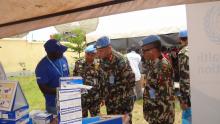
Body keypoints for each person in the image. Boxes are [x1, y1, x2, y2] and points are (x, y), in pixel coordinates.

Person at [95, 36, 135, 124]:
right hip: (110, 101)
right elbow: (102, 79)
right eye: (97, 50)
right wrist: (103, 95)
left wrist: (116, 92)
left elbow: (130, 81)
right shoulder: (103, 60)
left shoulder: (121, 60)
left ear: (109, 48)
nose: (98, 53)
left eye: (100, 50)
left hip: (122, 102)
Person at [140, 35, 175, 124]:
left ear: (153, 50)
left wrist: (158, 118)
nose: (142, 53)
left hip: (161, 116)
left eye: (144, 50)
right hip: (156, 114)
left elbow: (165, 97)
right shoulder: (154, 63)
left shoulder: (162, 66)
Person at [35, 39, 70, 114]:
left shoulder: (63, 59)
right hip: (53, 105)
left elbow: (68, 76)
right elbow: (44, 89)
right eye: (59, 51)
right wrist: (61, 90)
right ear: (50, 53)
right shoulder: (42, 67)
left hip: (68, 101)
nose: (62, 52)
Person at [73, 44, 102, 118]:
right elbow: (74, 78)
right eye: (88, 54)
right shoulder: (78, 63)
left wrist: (102, 97)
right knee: (82, 119)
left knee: (96, 119)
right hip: (82, 98)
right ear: (86, 54)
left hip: (95, 98)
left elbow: (102, 80)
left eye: (93, 55)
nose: (91, 57)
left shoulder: (99, 64)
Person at [178, 30, 191, 124]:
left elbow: (185, 76)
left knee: (188, 118)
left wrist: (184, 99)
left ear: (181, 40)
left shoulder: (184, 53)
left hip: (189, 94)